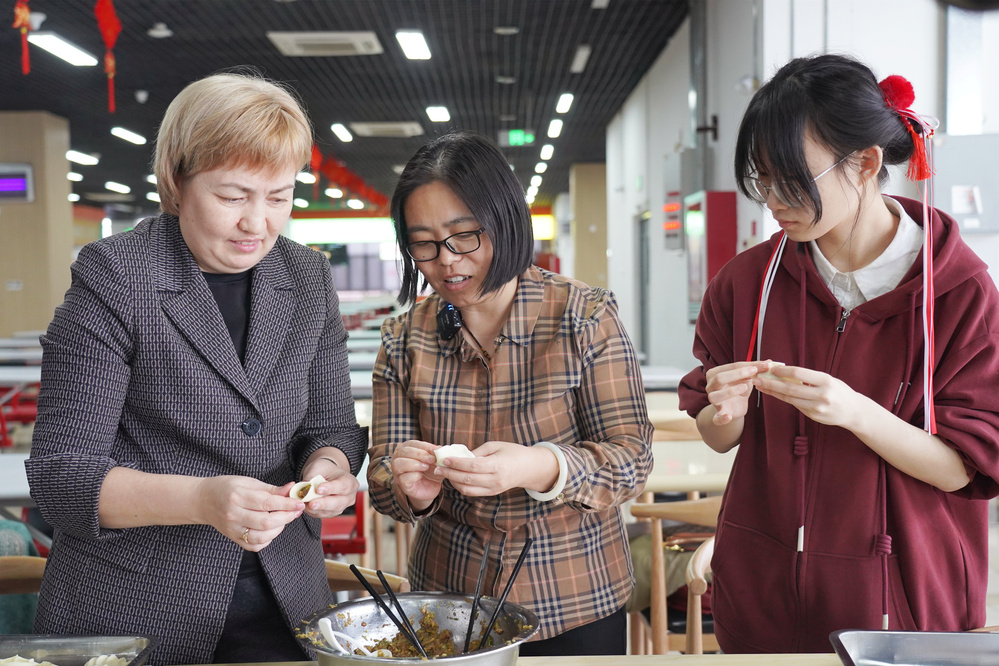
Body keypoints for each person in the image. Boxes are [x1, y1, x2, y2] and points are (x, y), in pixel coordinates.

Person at [26, 72, 367, 665]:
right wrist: (204, 501)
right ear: (177, 183)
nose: (257, 223)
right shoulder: (115, 278)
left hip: (288, 603)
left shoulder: (307, 279)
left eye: (280, 196)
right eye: (233, 196)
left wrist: (330, 469)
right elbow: (63, 478)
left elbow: (334, 427)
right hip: (135, 605)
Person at [678, 53, 999, 653]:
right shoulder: (747, 282)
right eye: (761, 178)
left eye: (793, 178)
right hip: (766, 594)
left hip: (904, 604)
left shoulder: (958, 291)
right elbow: (718, 437)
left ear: (866, 163)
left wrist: (855, 411)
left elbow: (965, 467)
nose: (773, 200)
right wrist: (725, 410)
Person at [366, 131, 653, 656]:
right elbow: (384, 475)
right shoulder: (403, 339)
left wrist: (539, 466)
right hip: (449, 600)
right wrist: (408, 486)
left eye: (464, 235)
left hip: (575, 595)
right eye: (423, 243)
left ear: (506, 221)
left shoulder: (583, 316)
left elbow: (632, 459)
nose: (446, 261)